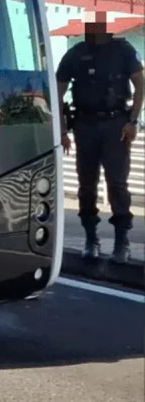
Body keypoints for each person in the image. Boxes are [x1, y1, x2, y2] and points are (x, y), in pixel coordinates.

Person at [56, 17, 143, 264]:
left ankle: (121, 242)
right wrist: (62, 131)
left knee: (117, 183)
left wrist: (133, 121)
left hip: (116, 123)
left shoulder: (123, 50)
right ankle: (91, 239)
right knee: (86, 184)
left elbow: (140, 84)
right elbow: (58, 89)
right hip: (85, 124)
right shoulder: (76, 54)